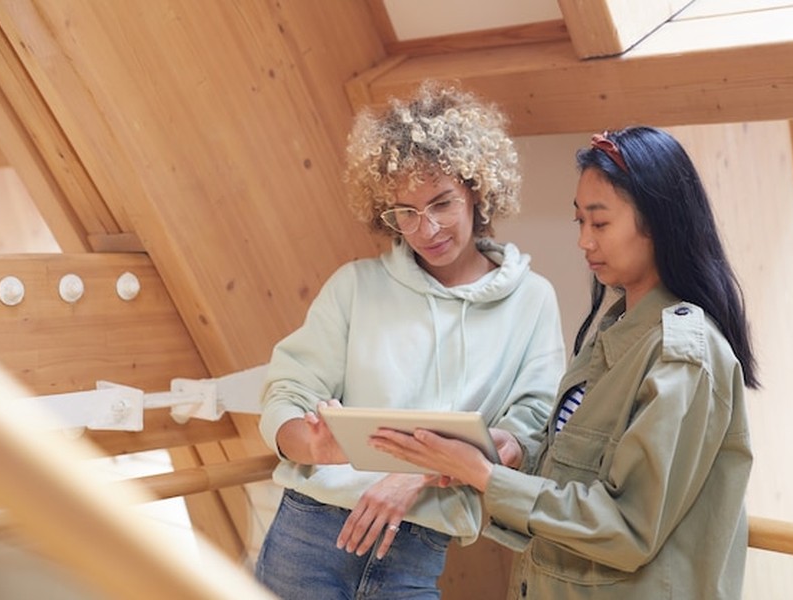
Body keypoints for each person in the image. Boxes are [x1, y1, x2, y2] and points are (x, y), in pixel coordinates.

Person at [370, 126, 759, 599]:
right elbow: (578, 480)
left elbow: (627, 527)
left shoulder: (685, 357)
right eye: (579, 222)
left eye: (600, 223)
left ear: (659, 222)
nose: (584, 242)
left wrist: (485, 476)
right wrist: (512, 455)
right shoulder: (615, 331)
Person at [254, 81, 566, 599]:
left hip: (419, 546)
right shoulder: (355, 286)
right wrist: (313, 443)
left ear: (476, 188)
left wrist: (417, 475)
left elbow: (529, 430)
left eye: (442, 203)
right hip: (308, 535)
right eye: (405, 212)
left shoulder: (531, 300)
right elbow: (286, 393)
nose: (427, 229)